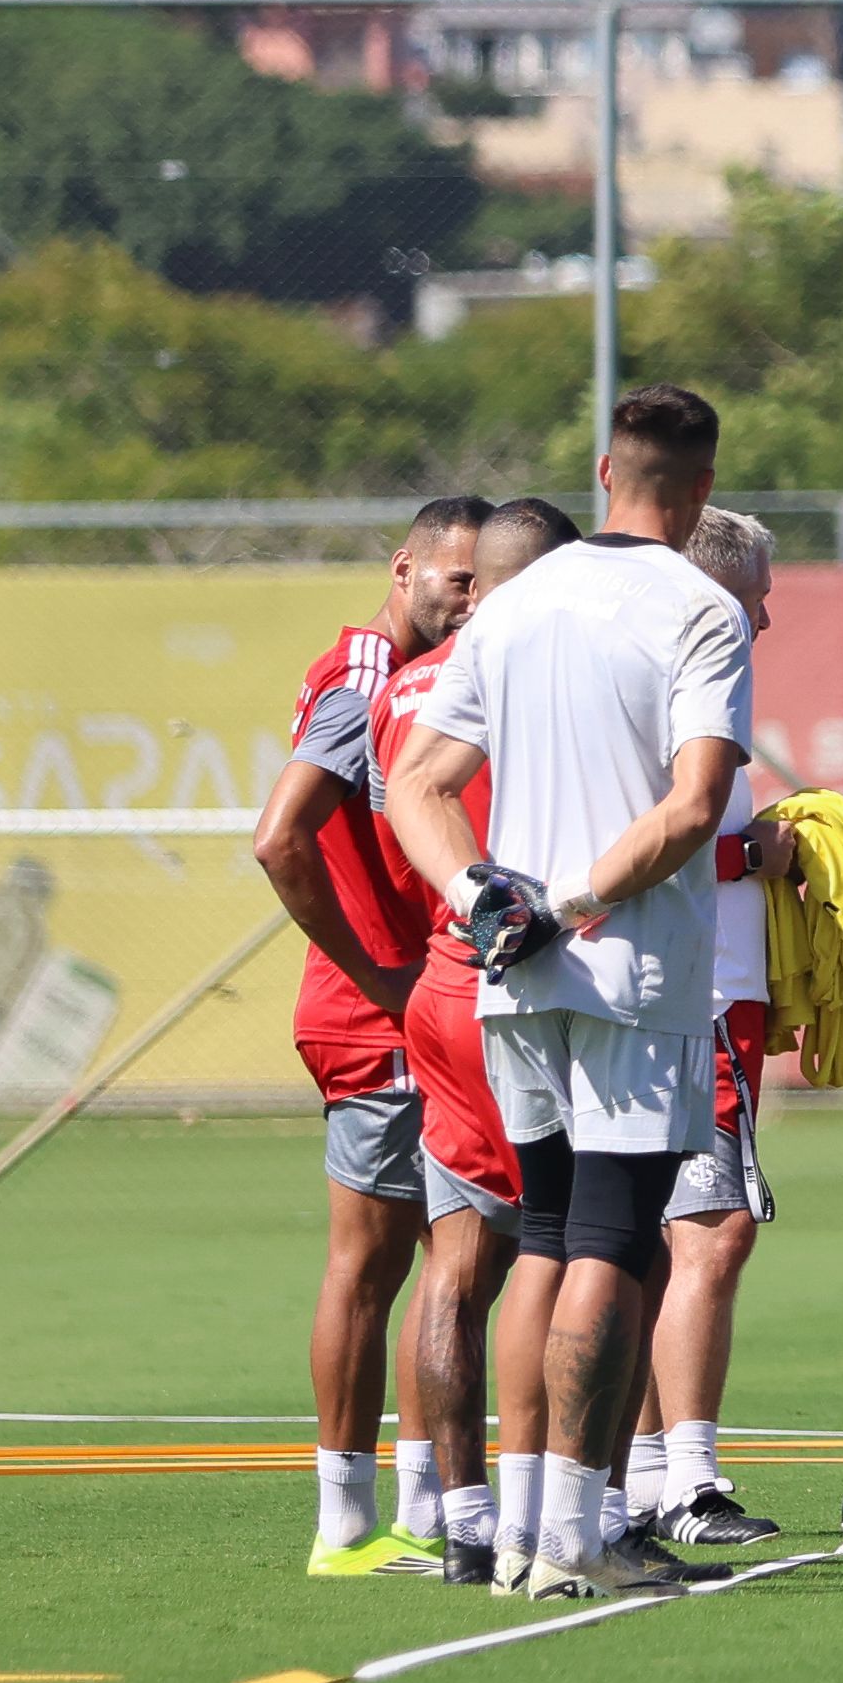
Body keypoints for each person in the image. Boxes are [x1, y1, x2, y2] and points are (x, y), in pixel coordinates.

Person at [385, 395, 753, 1603]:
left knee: (541, 1233)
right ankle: (580, 1534)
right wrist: (572, 900)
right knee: (613, 1237)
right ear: (698, 489)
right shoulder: (699, 608)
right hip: (627, 973)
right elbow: (696, 805)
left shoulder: (520, 595)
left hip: (518, 981)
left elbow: (414, 785)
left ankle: (528, 1533)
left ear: (605, 471)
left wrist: (480, 895)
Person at [240, 495, 490, 1577]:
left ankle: (417, 1513)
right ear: (405, 566)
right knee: (391, 1265)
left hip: (404, 1007)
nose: (471, 598)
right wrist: (380, 971)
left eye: (487, 582)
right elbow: (278, 837)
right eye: (457, 578)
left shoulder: (407, 677)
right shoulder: (362, 679)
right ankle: (352, 1525)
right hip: (381, 1015)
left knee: (439, 1261)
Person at [370, 498, 563, 1585]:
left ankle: (459, 1518)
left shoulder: (403, 688)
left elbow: (394, 819)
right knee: (568, 1244)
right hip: (526, 981)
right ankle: (559, 1513)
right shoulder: (540, 670)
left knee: (451, 1263)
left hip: (440, 973)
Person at [628, 503, 791, 1553]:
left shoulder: (693, 673)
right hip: (688, 995)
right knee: (712, 1232)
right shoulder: (672, 674)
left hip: (712, 992)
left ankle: (644, 1471)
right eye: (757, 596)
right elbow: (650, 835)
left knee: (657, 1239)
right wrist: (752, 858)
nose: (766, 619)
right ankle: (685, 1475)